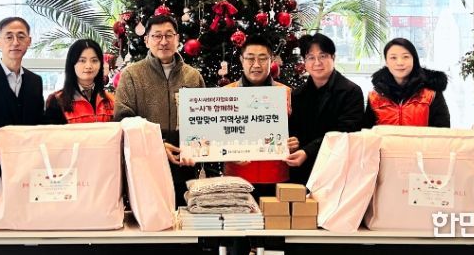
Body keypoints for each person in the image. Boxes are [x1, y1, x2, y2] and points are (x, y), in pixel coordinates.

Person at [113, 14, 205, 205]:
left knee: (184, 219)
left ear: (177, 39)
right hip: (146, 167)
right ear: (146, 40)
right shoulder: (131, 75)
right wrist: (158, 145)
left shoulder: (193, 76)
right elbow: (123, 119)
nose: (163, 41)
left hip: (184, 165)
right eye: (157, 36)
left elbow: (205, 119)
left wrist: (197, 149)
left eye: (169, 35)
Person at [223, 35, 297, 199]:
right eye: (250, 58)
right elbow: (215, 137)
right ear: (241, 60)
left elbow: (297, 132)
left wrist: (294, 142)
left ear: (271, 60)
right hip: (236, 179)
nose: (256, 65)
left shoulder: (286, 93)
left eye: (263, 59)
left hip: (276, 178)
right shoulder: (226, 94)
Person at [285, 33, 364, 186]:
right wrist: (293, 142)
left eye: (323, 56)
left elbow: (346, 132)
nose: (317, 63)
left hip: (337, 170)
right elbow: (293, 130)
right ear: (304, 61)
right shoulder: (297, 94)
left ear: (333, 58)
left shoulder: (351, 92)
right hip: (302, 173)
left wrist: (308, 151)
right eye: (311, 57)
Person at [363, 37, 450, 128]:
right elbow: (368, 132)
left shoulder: (431, 93)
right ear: (386, 62)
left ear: (414, 60)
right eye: (393, 58)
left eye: (406, 57)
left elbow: (442, 131)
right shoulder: (375, 96)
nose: (400, 62)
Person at [45, 39, 114, 124]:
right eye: (82, 60)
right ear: (72, 64)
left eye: (94, 60)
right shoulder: (57, 100)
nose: (88, 66)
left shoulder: (111, 100)